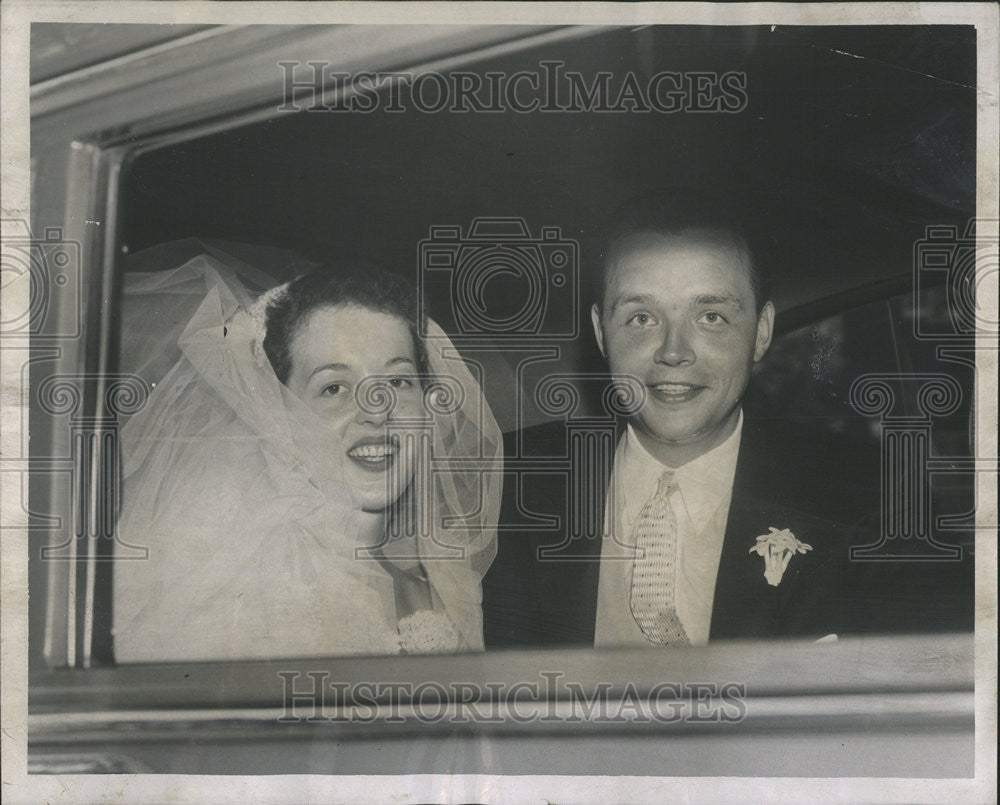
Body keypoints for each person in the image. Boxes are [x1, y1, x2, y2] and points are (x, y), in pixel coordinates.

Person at [483, 194, 882, 647]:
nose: (673, 352)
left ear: (762, 332)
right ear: (600, 333)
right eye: (641, 318)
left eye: (710, 317)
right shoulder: (502, 483)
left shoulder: (867, 497)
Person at [113, 245, 502, 662]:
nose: (376, 411)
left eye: (398, 382)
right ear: (276, 413)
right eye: (334, 387)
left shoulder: (444, 585)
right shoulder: (234, 586)